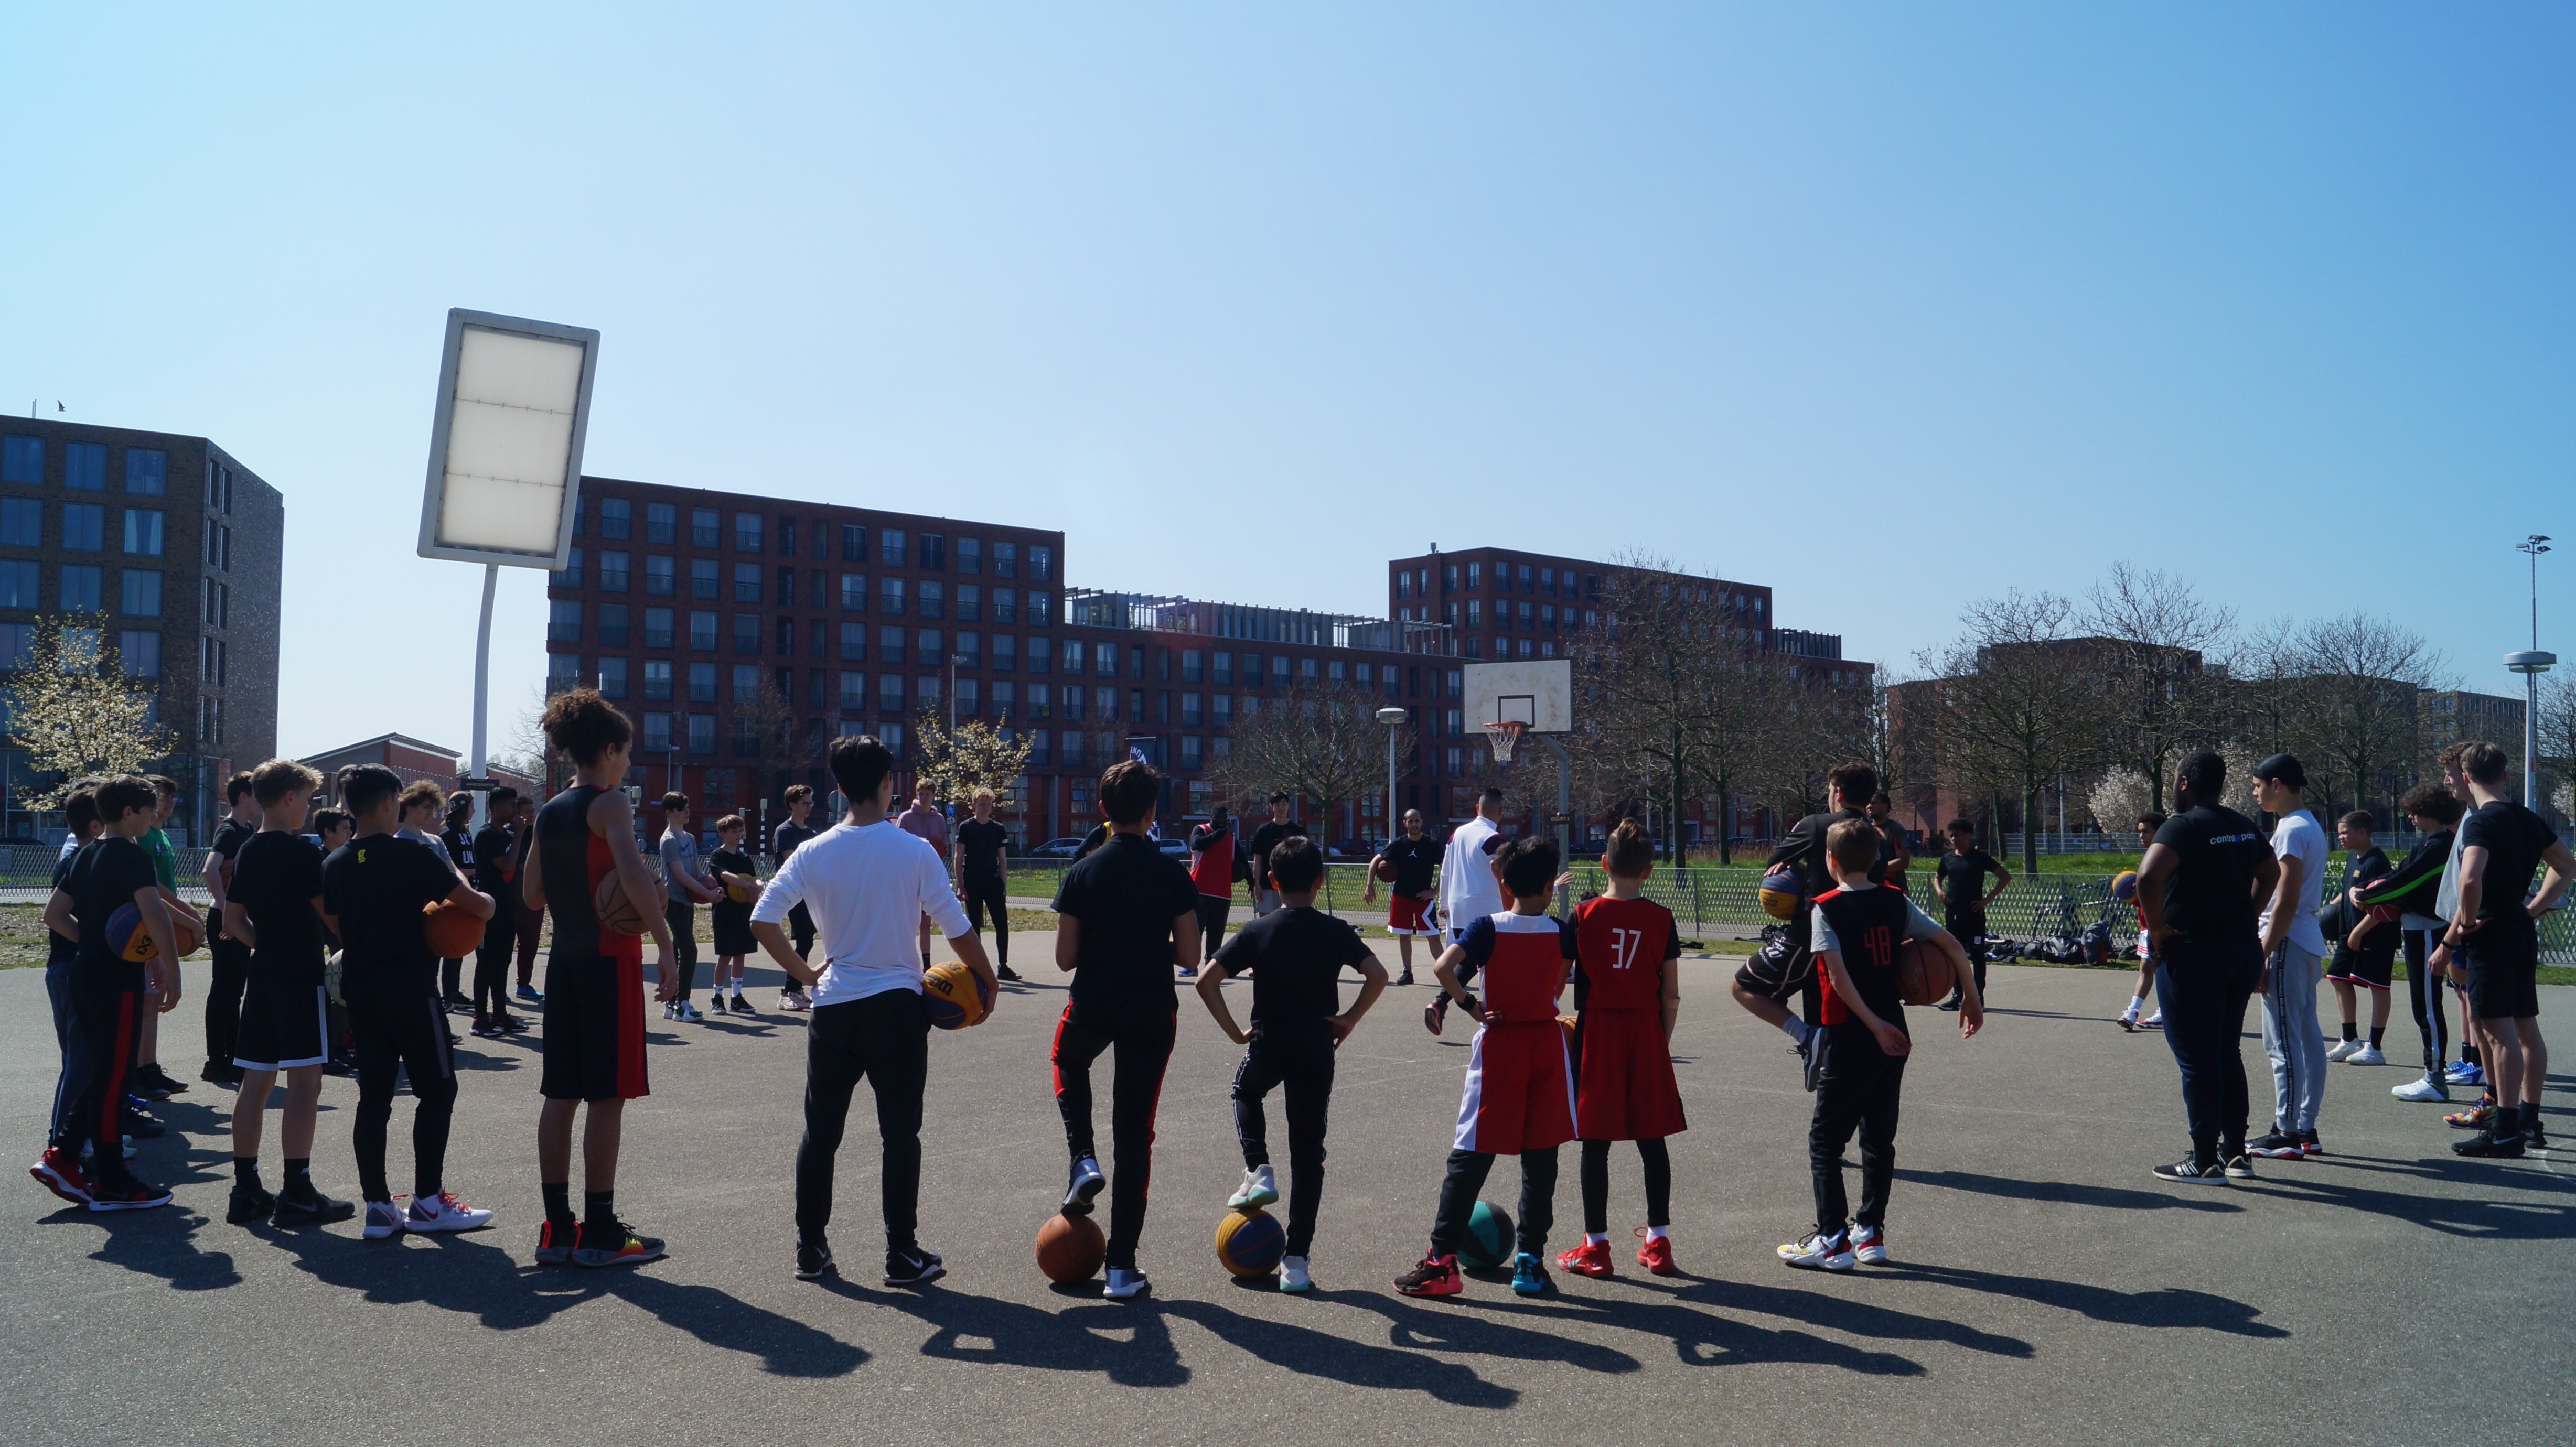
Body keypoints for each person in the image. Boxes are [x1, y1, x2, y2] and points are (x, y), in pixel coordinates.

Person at [754, 733, 997, 1287]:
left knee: (821, 1135)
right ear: (891, 784)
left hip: (834, 1005)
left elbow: (762, 921)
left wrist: (803, 970)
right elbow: (957, 930)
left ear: (838, 789)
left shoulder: (811, 851)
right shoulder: (914, 850)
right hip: (896, 1009)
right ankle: (901, 1254)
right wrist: (986, 980)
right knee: (900, 1136)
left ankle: (811, 1250)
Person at [520, 689, 680, 1267]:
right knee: (607, 1097)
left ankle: (558, 1229)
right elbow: (634, 872)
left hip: (564, 962)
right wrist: (665, 941)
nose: (629, 764)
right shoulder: (610, 804)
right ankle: (602, 1229)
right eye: (627, 753)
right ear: (609, 749)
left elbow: (532, 893)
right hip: (609, 964)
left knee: (560, 1095)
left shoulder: (549, 810)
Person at [1778, 818, 1980, 1271]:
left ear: (1830, 862)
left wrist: (1870, 1024)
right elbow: (1950, 944)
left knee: (1826, 1142)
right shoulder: (1895, 900)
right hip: (1895, 1028)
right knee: (1878, 1136)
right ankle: (1870, 1232)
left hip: (1854, 1033)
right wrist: (1971, 996)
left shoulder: (1825, 907)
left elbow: (1840, 977)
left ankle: (1832, 1240)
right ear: (1876, 859)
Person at [1195, 835, 1386, 1293]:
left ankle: (1258, 1169)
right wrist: (1348, 1020)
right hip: (1317, 1045)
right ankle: (1296, 1261)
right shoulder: (1335, 929)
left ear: (1272, 880)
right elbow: (1378, 975)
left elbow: (1207, 981)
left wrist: (1233, 1030)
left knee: (1245, 1091)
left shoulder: (1259, 930)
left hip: (1270, 1040)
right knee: (1308, 1152)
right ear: (1320, 881)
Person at [1394, 836, 1576, 1300]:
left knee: (1471, 1155)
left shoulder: (1488, 928)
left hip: (1502, 1046)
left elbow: (1442, 967)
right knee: (1541, 1158)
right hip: (1546, 1043)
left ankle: (1442, 1264)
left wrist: (1470, 1005)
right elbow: (1560, 984)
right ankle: (1530, 1264)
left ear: (1505, 882)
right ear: (1550, 885)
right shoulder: (1561, 931)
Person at [323, 764, 499, 1240]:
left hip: (360, 989)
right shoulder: (414, 855)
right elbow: (479, 906)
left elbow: (334, 923)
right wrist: (476, 892)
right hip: (411, 989)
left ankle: (379, 1208)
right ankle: (426, 1201)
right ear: (388, 803)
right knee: (438, 1090)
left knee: (374, 1098)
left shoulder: (334, 862)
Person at [1048, 758, 1202, 1300]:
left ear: (1102, 810)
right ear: (1153, 811)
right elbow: (1189, 954)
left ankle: (1082, 1157)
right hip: (1150, 1010)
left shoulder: (1084, 871)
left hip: (1093, 1000)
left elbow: (1065, 958)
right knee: (1136, 1135)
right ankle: (1120, 1268)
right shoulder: (1172, 873)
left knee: (1068, 1061)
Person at [31, 775, 185, 1210]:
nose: (154, 816)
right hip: (117, 982)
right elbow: (154, 911)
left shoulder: (86, 854)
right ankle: (114, 1181)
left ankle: (62, 1155)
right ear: (128, 813)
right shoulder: (132, 856)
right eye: (148, 809)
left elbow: (54, 915)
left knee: (103, 1075)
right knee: (114, 1081)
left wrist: (94, 944)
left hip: (83, 975)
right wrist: (172, 968)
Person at [221, 758, 355, 1228]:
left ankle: (246, 1189)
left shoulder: (250, 849)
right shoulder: (302, 853)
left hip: (263, 973)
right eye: (309, 798)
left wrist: (268, 944)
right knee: (305, 1082)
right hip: (299, 974)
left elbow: (233, 921)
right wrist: (353, 949)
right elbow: (330, 915)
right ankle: (297, 1191)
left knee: (255, 1082)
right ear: (290, 798)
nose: (311, 808)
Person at [1554, 819, 1687, 1280]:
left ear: (1605, 863)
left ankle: (1597, 1247)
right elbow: (1670, 993)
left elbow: (1557, 980)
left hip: (1600, 1033)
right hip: (1645, 1029)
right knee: (1653, 1140)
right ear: (1649, 871)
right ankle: (1659, 1241)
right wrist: (1661, 1041)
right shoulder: (1662, 918)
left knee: (1596, 1143)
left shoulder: (1583, 916)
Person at [2139, 749, 2279, 1185]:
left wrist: (2157, 928)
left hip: (2195, 952)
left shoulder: (2182, 826)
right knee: (2225, 1051)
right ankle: (2236, 1154)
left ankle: (2203, 1160)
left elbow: (2146, 877)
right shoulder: (2241, 824)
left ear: (2184, 782)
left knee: (2198, 1061)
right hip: (2240, 950)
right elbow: (2272, 874)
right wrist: (2246, 917)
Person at [2444, 741, 2574, 1157]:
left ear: (2466, 778)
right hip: (2519, 930)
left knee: (2497, 1033)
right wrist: (2533, 909)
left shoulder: (2481, 822)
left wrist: (2464, 922)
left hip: (2492, 933)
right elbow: (2567, 866)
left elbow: (2469, 878)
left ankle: (2504, 1130)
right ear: (2504, 775)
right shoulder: (2527, 818)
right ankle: (2529, 1122)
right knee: (2525, 1028)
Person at [1730, 763, 1888, 1057]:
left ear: (1838, 792)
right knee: (1829, 1012)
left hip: (1812, 934)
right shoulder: (1876, 836)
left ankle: (1806, 1036)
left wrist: (1796, 867)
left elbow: (1774, 868)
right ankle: (1819, 1053)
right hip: (1858, 939)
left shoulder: (1816, 825)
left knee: (1743, 985)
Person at [2357, 784, 2464, 1102]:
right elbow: (2398, 873)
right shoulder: (2428, 843)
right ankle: (2434, 1075)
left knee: (2429, 1007)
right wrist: (2364, 890)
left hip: (2431, 930)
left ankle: (2435, 1079)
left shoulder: (2441, 845)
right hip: (2418, 930)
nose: (2410, 817)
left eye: (2414, 811)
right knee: (2423, 1004)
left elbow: (2407, 882)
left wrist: (2366, 897)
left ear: (2429, 811)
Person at [2247, 754, 2331, 1161]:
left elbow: (2286, 899)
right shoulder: (2309, 825)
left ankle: (2288, 1131)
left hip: (2287, 941)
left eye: (2258, 785)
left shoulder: (2291, 830)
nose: (2255, 792)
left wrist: (2262, 952)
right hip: (2304, 939)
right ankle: (2305, 1125)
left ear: (2277, 784)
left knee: (2282, 1041)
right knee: (2305, 1035)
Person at [37, 785, 102, 1190]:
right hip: (72, 970)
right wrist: (95, 946)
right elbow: (55, 917)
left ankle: (75, 1142)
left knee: (76, 1064)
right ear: (98, 824)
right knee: (82, 1065)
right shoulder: (84, 862)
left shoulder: (75, 857)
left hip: (62, 970)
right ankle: (65, 1149)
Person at [1425, 786, 1508, 1034]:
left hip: (1459, 908)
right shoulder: (1495, 840)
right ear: (1501, 812)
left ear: (1477, 809)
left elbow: (1446, 870)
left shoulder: (1457, 834)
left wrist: (1444, 905)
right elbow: (1510, 876)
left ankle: (1440, 1003)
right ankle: (1493, 1015)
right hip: (1487, 909)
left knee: (1470, 962)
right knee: (1491, 965)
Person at [127, 774, 187, 1105]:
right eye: (160, 796)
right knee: (147, 1004)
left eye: (170, 796)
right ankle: (139, 1072)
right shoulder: (143, 838)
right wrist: (187, 915)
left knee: (152, 1004)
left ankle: (149, 1066)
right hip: (146, 930)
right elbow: (152, 890)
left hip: (161, 927)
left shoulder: (160, 835)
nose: (166, 802)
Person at [200, 771, 259, 1088]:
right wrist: (228, 913)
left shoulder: (248, 829)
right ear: (244, 797)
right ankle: (215, 1062)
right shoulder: (229, 830)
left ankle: (233, 1057)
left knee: (235, 990)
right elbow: (210, 870)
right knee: (224, 990)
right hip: (223, 920)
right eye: (256, 794)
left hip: (237, 919)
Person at [2322, 811, 2395, 1066]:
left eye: (2345, 832)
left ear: (2362, 832)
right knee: (2337, 977)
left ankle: (2374, 1047)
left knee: (2379, 987)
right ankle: (2349, 1039)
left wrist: (2359, 932)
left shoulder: (2377, 862)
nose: (2340, 837)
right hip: (2348, 933)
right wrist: (2328, 909)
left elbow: (2383, 904)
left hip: (2374, 935)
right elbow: (2349, 891)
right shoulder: (2355, 857)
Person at [1931, 819, 2009, 1013]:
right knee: (1954, 955)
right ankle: (1957, 997)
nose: (1954, 839)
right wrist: (1940, 892)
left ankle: (1978, 997)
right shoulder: (1948, 858)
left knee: (1976, 954)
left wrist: (1986, 900)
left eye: (1957, 835)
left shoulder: (1979, 857)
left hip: (1974, 915)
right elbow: (1937, 877)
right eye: (1951, 836)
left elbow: (2005, 877)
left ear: (1968, 836)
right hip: (1953, 914)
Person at [470, 787, 527, 1039]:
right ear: (497, 808)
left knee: (503, 962)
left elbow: (522, 865)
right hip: (488, 906)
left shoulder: (509, 835)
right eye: (511, 805)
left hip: (507, 907)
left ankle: (500, 1015)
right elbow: (506, 866)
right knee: (486, 963)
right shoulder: (487, 835)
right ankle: (480, 1019)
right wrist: (518, 837)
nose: (515, 810)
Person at [659, 792, 722, 1022]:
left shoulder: (690, 838)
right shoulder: (669, 841)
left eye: (687, 807)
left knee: (679, 950)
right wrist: (707, 894)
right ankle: (683, 1005)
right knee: (689, 950)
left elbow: (697, 872)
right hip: (673, 901)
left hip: (687, 901)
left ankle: (672, 1004)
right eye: (681, 808)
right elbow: (681, 875)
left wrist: (714, 888)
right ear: (669, 812)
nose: (687, 811)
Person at [1365, 808, 1441, 987]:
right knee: (1404, 935)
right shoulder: (1398, 844)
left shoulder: (1432, 844)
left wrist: (1434, 892)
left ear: (1422, 822)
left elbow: (1446, 868)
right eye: (1410, 821)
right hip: (1401, 896)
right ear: (1405, 823)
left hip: (1424, 898)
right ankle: (1408, 971)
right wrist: (1370, 886)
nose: (1414, 824)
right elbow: (1375, 861)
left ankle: (1447, 972)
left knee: (1434, 936)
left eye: (1417, 821)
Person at [312, 807, 359, 1076]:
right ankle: (328, 1052)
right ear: (328, 832)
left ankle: (341, 1047)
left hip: (343, 929)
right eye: (343, 828)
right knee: (333, 987)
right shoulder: (322, 861)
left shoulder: (345, 857)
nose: (349, 832)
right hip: (325, 932)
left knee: (344, 987)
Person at [955, 788, 1018, 982]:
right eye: (982, 804)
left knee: (1001, 924)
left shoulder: (998, 828)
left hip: (992, 881)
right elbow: (958, 857)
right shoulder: (966, 827)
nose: (985, 808)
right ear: (974, 805)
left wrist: (1001, 881)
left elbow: (1003, 858)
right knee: (975, 926)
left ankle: (1003, 966)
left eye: (989, 804)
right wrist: (960, 885)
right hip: (972, 880)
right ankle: (977, 968)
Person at [772, 784, 820, 1010]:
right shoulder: (785, 831)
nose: (809, 807)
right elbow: (792, 861)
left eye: (811, 803)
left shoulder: (811, 834)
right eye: (805, 803)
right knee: (802, 940)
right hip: (794, 895)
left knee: (807, 941)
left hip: (811, 895)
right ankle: (788, 993)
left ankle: (796, 989)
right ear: (792, 805)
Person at [2119, 812, 2168, 1031]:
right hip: (2148, 926)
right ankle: (2132, 1012)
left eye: (2146, 831)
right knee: (2147, 969)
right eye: (2139, 831)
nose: (2141, 836)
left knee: (2164, 971)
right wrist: (2135, 898)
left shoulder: (2166, 857)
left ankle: (2164, 1013)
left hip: (2163, 926)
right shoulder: (2150, 856)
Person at [706, 815, 760, 1012]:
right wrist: (745, 884)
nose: (739, 835)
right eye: (734, 831)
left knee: (740, 955)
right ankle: (717, 997)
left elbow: (755, 878)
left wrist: (758, 886)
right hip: (725, 910)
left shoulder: (744, 858)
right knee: (725, 955)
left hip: (743, 910)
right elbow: (724, 875)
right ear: (723, 833)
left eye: (740, 831)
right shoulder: (717, 856)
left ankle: (736, 997)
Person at [896, 780, 950, 969]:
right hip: (909, 877)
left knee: (925, 924)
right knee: (907, 923)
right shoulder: (906, 818)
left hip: (928, 877)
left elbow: (943, 847)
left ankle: (926, 964)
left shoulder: (940, 819)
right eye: (920, 793)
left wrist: (939, 851)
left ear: (933, 795)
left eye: (927, 793)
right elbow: (897, 847)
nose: (923, 797)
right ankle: (905, 962)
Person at [1186, 805, 1239, 969]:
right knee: (1196, 931)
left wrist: (1251, 881)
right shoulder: (1200, 830)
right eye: (1218, 818)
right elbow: (1198, 845)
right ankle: (1191, 965)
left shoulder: (1230, 836)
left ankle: (1210, 966)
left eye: (1225, 819)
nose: (1222, 821)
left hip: (1223, 892)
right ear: (1211, 816)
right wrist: (1218, 834)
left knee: (1216, 935)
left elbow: (1241, 859)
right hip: (1201, 890)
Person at [440, 796, 477, 1008]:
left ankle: (454, 991)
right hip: (453, 895)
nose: (473, 811)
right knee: (450, 944)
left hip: (469, 891)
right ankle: (447, 994)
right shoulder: (447, 834)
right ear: (461, 809)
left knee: (460, 945)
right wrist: (475, 871)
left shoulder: (465, 831)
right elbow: (449, 869)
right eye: (471, 807)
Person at [1247, 793, 1307, 919]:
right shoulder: (1263, 831)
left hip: (1291, 886)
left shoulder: (1298, 831)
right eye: (1277, 805)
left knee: (1290, 920)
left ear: (1289, 806)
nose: (1281, 808)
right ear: (1271, 807)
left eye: (1284, 804)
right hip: (1267, 885)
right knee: (1266, 921)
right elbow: (1258, 859)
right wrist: (1257, 884)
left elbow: (1304, 859)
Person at [1868, 792, 1913, 900]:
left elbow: (1903, 861)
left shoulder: (1896, 829)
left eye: (1874, 803)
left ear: (1886, 805)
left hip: (1893, 889)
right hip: (1871, 889)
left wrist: (1876, 869)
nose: (1869, 806)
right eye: (1868, 803)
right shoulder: (1865, 828)